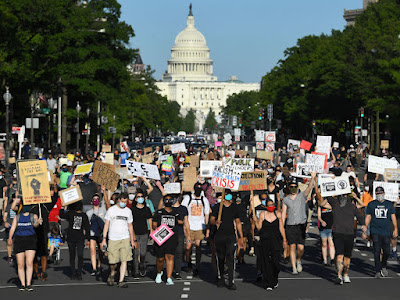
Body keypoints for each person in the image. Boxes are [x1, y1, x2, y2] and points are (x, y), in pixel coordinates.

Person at [315, 178, 366, 285]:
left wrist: (363, 225)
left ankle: (346, 274)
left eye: (345, 194)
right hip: (338, 233)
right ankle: (339, 275)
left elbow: (360, 216)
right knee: (339, 255)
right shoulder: (335, 203)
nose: (343, 196)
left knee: (347, 256)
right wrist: (329, 194)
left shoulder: (352, 206)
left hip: (349, 234)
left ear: (347, 195)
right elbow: (322, 204)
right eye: (341, 194)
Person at [101, 193, 138, 288]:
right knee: (113, 261)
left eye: (126, 202)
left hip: (125, 238)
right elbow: (106, 224)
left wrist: (132, 240)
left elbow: (130, 226)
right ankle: (112, 273)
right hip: (113, 238)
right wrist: (104, 239)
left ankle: (121, 281)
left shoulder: (128, 211)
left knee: (124, 259)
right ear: (118, 200)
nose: (124, 203)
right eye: (122, 201)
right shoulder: (111, 210)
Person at [210, 189, 244, 290]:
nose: (228, 196)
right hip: (219, 236)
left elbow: (238, 222)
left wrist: (240, 237)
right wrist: (215, 222)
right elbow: (211, 219)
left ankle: (230, 280)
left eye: (229, 194)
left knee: (230, 256)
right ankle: (221, 277)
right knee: (220, 257)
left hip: (231, 236)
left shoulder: (234, 207)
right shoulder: (217, 207)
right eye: (227, 194)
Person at [281, 175, 315, 275]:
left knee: (300, 248)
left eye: (295, 187)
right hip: (290, 225)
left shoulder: (301, 196)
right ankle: (294, 268)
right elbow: (283, 213)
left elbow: (309, 188)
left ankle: (298, 260)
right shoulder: (286, 200)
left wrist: (313, 177)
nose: (293, 189)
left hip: (300, 225)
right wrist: (282, 227)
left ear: (297, 188)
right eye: (291, 187)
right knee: (292, 246)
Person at [253, 198, 287, 291]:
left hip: (275, 241)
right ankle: (268, 282)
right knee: (266, 261)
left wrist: (284, 240)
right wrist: (255, 220)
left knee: (276, 262)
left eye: (272, 205)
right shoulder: (262, 214)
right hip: (265, 241)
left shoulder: (278, 214)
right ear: (266, 206)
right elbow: (259, 227)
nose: (271, 207)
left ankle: (274, 278)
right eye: (269, 205)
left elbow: (281, 228)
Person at [364, 187, 398, 278]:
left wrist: (395, 228)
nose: (379, 195)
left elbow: (393, 217)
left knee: (386, 251)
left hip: (386, 231)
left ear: (384, 193)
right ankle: (377, 270)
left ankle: (383, 265)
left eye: (381, 193)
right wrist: (365, 228)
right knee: (377, 251)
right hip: (375, 230)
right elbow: (368, 217)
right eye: (378, 194)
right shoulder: (371, 204)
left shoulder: (389, 204)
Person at [8, 205, 42, 291]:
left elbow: (35, 225)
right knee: (20, 264)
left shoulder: (33, 216)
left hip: (30, 240)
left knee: (29, 263)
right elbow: (12, 228)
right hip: (19, 240)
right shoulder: (17, 217)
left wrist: (38, 221)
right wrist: (10, 238)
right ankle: (23, 284)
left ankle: (28, 283)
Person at [153, 194, 183, 285]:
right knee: (160, 258)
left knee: (170, 257)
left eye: (170, 199)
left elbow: (180, 222)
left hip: (172, 238)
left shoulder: (175, 213)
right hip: (161, 237)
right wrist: (159, 230)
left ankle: (169, 277)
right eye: (166, 199)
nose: (168, 201)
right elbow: (154, 224)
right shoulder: (159, 212)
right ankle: (159, 273)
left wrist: (181, 221)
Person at [182, 183, 210, 276]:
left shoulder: (204, 200)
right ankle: (188, 262)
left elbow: (206, 214)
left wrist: (206, 227)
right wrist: (184, 226)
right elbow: (183, 211)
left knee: (198, 247)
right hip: (189, 225)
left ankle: (197, 266)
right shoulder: (188, 198)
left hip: (199, 226)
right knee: (188, 247)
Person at [59, 201, 90, 280]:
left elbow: (87, 227)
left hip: (80, 238)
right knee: (72, 255)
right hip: (71, 238)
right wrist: (64, 207)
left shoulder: (83, 215)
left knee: (80, 255)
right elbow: (61, 215)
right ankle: (73, 272)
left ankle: (78, 272)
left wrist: (88, 239)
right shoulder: (70, 213)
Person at [131, 191, 153, 278]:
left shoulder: (146, 209)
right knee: (135, 253)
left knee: (143, 252)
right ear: (135, 199)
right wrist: (131, 234)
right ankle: (136, 271)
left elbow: (149, 220)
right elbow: (130, 223)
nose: (140, 198)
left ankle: (142, 264)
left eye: (141, 196)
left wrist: (151, 230)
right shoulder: (132, 209)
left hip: (144, 232)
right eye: (138, 197)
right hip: (135, 233)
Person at [86, 194, 106, 276]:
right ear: (91, 201)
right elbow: (87, 225)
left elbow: (106, 201)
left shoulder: (103, 210)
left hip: (101, 233)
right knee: (93, 250)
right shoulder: (89, 212)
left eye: (97, 199)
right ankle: (94, 268)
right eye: (94, 199)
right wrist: (87, 238)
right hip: (92, 234)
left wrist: (104, 191)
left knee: (101, 250)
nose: (96, 200)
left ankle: (99, 265)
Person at [318, 201, 335, 266]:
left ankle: (332, 259)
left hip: (331, 227)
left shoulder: (333, 204)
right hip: (323, 228)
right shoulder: (320, 206)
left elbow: (333, 208)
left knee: (331, 244)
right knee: (324, 244)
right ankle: (325, 260)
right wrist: (321, 221)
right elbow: (319, 216)